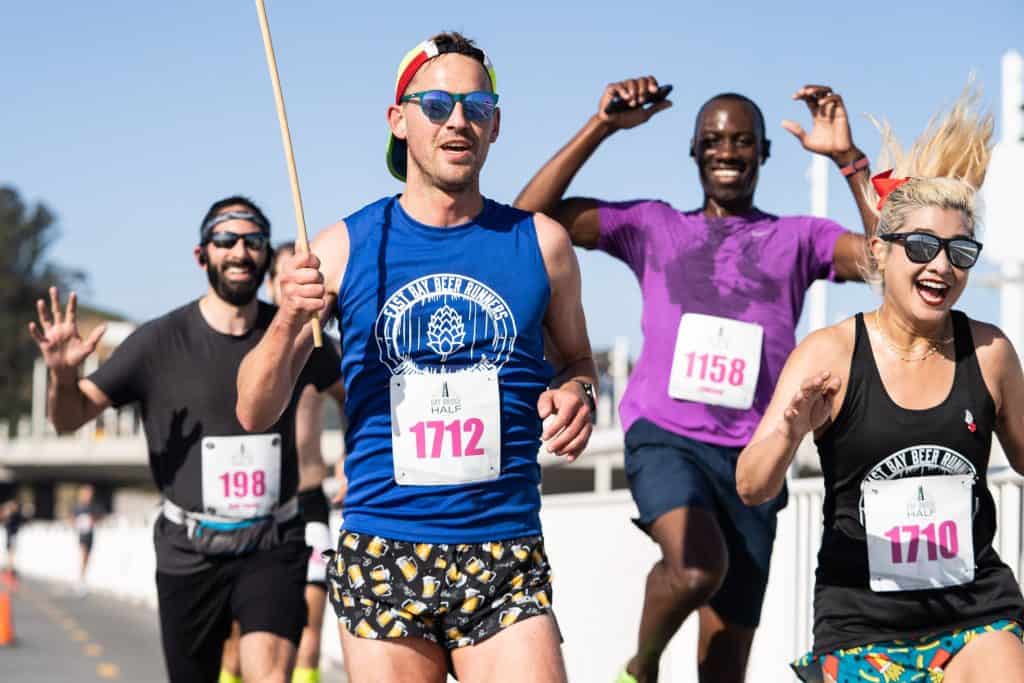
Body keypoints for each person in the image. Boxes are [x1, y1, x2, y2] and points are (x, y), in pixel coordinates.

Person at [235, 32, 598, 683]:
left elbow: (576, 359)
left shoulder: (542, 245)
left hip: (504, 551)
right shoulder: (345, 247)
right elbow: (253, 407)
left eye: (476, 104)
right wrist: (290, 314)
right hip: (384, 549)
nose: (457, 119)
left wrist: (580, 392)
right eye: (435, 103)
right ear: (399, 120)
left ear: (495, 122)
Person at [515, 77, 877, 683]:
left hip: (756, 455)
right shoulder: (654, 227)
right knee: (694, 568)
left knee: (725, 666)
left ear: (762, 153)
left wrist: (848, 159)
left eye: (741, 141)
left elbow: (893, 259)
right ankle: (642, 667)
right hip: (667, 436)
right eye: (712, 140)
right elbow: (528, 217)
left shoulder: (797, 239)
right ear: (693, 151)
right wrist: (601, 125)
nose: (727, 152)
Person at [736, 86, 1024, 683]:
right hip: (861, 629)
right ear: (880, 251)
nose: (941, 266)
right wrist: (789, 429)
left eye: (960, 251)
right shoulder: (832, 354)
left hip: (978, 615)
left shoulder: (991, 352)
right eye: (921, 247)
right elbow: (751, 486)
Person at [27, 196, 345, 683]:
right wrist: (64, 379)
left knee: (270, 676)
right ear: (202, 256)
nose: (240, 250)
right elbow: (70, 418)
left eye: (253, 240)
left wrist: (355, 461)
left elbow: (359, 395)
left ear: (265, 257)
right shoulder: (157, 342)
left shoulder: (292, 335)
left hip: (273, 539)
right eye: (225, 240)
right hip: (189, 550)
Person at [219, 242, 347, 683]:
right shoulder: (244, 347)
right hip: (250, 510)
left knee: (309, 632)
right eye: (285, 274)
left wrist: (350, 458)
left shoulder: (319, 346)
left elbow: (357, 400)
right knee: (237, 643)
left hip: (308, 504)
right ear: (271, 284)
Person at [71, 484, 102, 596]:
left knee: (87, 558)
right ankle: (81, 580)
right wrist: (78, 523)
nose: (88, 495)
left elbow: (100, 517)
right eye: (86, 493)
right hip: (82, 535)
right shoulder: (78, 507)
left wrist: (92, 521)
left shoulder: (94, 506)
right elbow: (72, 519)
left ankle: (82, 579)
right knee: (83, 555)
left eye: (90, 493)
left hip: (90, 535)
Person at [1, 500, 26, 578]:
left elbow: (17, 525)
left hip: (13, 536)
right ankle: (9, 567)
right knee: (9, 552)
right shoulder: (9, 516)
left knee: (11, 552)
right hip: (9, 536)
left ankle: (10, 568)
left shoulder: (16, 516)